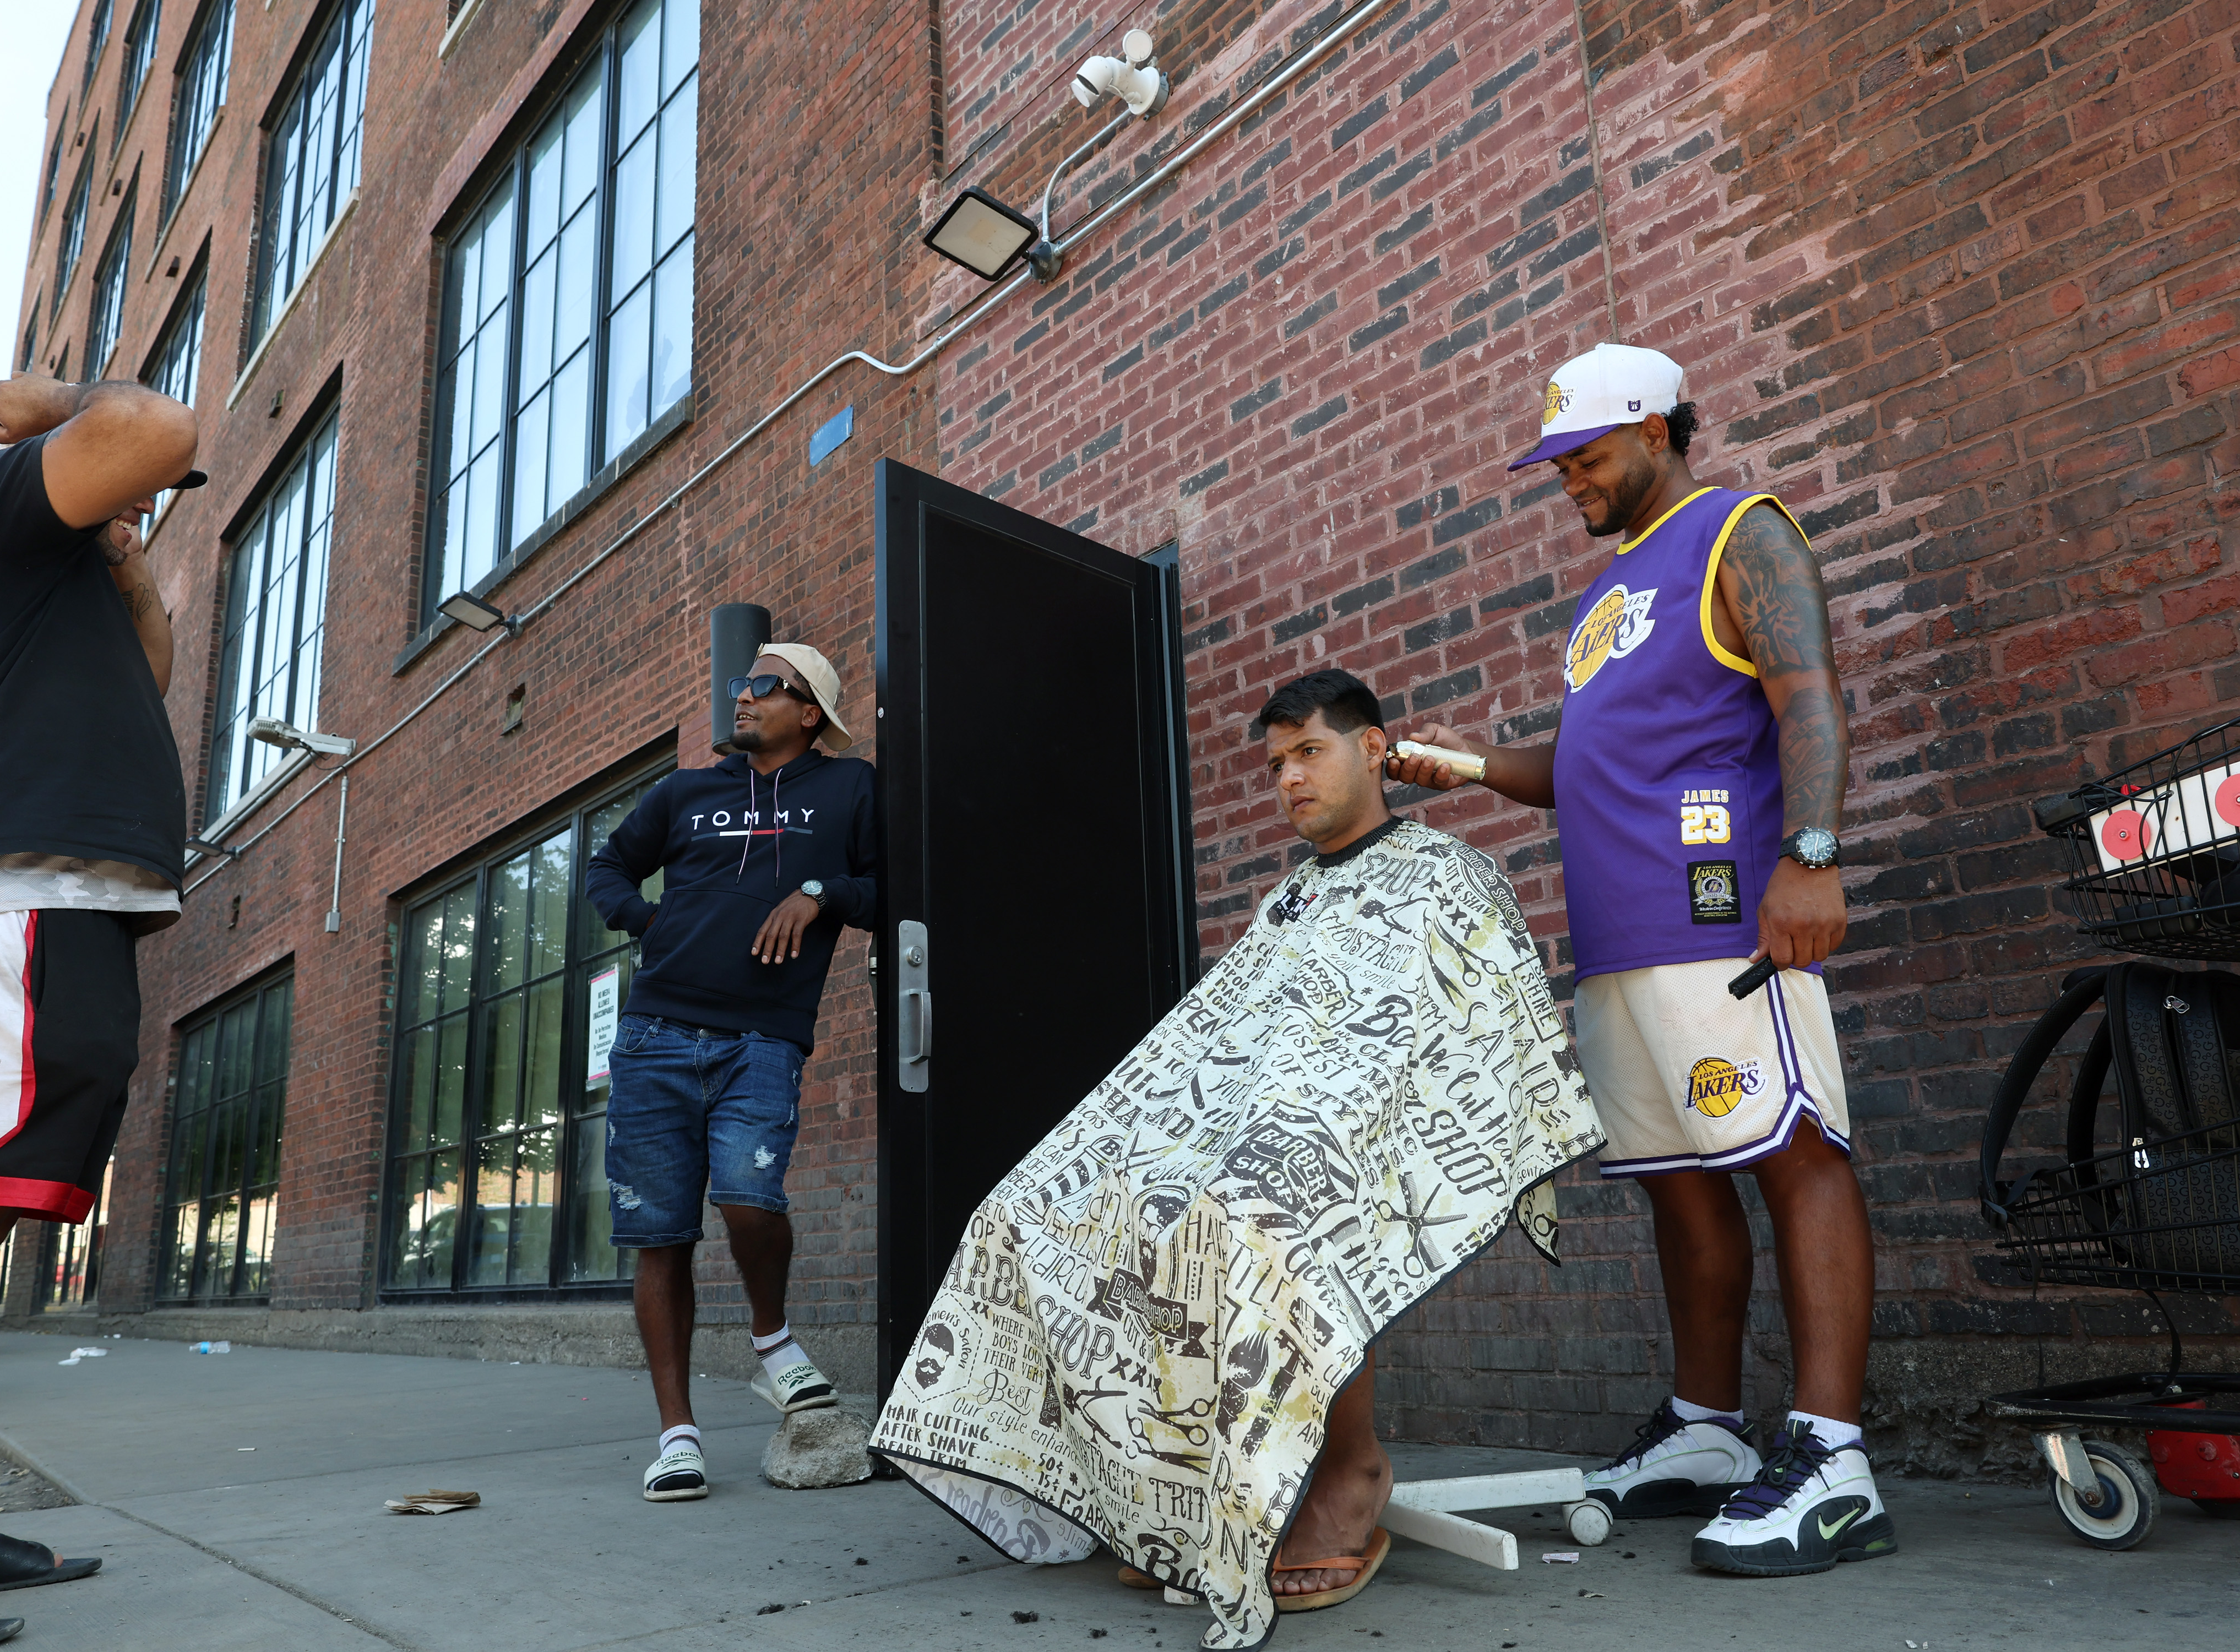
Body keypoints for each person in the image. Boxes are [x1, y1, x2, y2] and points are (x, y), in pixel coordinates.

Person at [871, 670, 1602, 1649]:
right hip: (1260, 1121)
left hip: (1383, 1127)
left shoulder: (1447, 875)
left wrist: (1300, 1128)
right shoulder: (1291, 902)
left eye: (1310, 753)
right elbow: (1218, 1046)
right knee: (1044, 1202)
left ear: (1374, 748)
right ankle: (1164, 1494)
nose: (1289, 780)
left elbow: (1474, 1041)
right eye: (1275, 765)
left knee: (1258, 1208)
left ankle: (1353, 1472)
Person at [1388, 341, 1889, 1577]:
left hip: (1722, 921)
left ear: (1660, 430)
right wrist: (1460, 767)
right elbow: (1575, 770)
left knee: (1794, 1154)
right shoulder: (1608, 596)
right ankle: (1707, 1433)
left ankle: (1833, 1461)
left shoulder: (1741, 532)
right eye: (1557, 462)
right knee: (1679, 1179)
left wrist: (1812, 854)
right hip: (1620, 943)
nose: (1570, 480)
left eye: (1589, 455)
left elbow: (1810, 700)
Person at [0, 373, 202, 1640]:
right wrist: (58, 403)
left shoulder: (69, 583)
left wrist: (126, 557)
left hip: (71, 911)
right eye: (127, 494)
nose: (147, 493)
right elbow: (155, 425)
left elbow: (152, 674)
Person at [585, 643, 878, 1502]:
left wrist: (821, 890)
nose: (739, 697)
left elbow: (884, 881)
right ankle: (678, 1435)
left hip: (763, 1037)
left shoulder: (849, 788)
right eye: (739, 684)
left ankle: (771, 1338)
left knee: (753, 1199)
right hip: (655, 1037)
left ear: (809, 711)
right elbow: (608, 866)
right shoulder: (686, 791)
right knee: (660, 1235)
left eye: (762, 687)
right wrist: (651, 924)